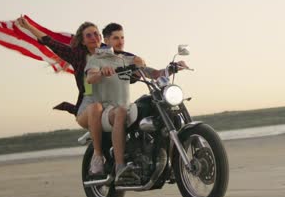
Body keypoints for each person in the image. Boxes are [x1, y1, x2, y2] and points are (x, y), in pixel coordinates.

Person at [87, 22, 186, 179]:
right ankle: (120, 167)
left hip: (126, 107)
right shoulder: (97, 59)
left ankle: (170, 162)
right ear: (106, 40)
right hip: (106, 110)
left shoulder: (129, 59)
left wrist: (171, 68)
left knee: (156, 107)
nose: (120, 41)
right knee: (120, 111)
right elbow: (90, 77)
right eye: (115, 38)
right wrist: (102, 73)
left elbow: (153, 73)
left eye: (122, 37)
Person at [14, 16, 112, 176]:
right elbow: (50, 42)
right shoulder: (77, 56)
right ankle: (97, 156)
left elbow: (130, 62)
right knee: (96, 107)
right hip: (87, 107)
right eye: (89, 35)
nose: (94, 37)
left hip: (110, 104)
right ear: (82, 41)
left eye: (96, 34)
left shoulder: (111, 55)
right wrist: (29, 27)